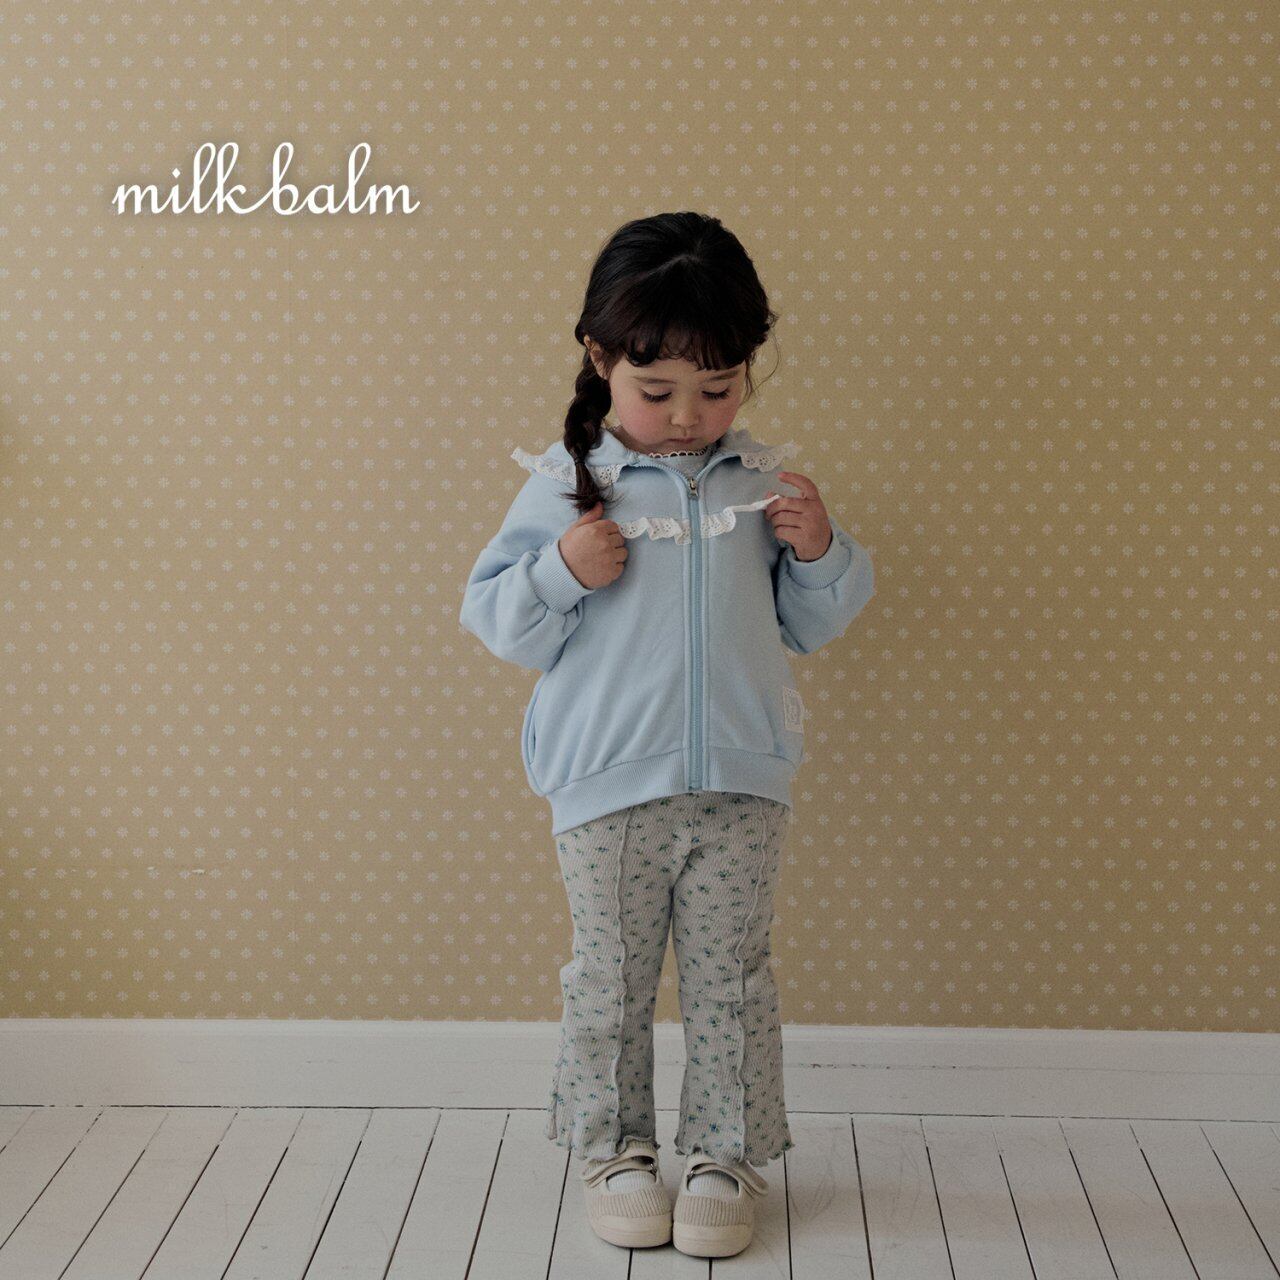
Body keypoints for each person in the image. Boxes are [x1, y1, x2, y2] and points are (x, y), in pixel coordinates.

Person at [458, 211, 875, 1258]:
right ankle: (615, 1151)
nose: (688, 415)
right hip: (607, 788)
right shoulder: (566, 487)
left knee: (732, 979)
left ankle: (725, 1155)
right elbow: (497, 618)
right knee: (610, 980)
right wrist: (561, 569)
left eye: (717, 387)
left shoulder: (763, 487)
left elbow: (810, 622)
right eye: (657, 390)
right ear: (600, 359)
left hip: (742, 782)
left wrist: (820, 551)